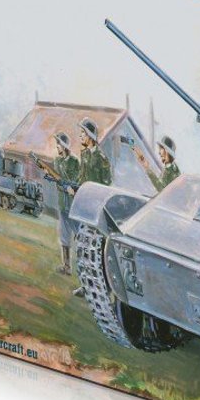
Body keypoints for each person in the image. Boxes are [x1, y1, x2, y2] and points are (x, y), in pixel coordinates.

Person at [71, 118, 112, 297]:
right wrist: (74, 187)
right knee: (83, 247)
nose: (80, 136)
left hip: (96, 210)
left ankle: (102, 287)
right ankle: (85, 285)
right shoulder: (85, 155)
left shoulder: (101, 158)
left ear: (90, 136)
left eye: (83, 133)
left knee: (96, 250)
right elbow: (81, 178)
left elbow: (107, 184)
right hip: (85, 207)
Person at [52, 132, 80, 275]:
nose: (57, 147)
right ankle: (67, 266)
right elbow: (57, 181)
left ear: (64, 146)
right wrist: (64, 186)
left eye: (58, 144)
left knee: (79, 235)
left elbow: (77, 180)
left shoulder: (75, 162)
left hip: (74, 205)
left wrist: (69, 186)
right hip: (63, 204)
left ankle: (83, 266)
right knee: (64, 235)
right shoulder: (57, 161)